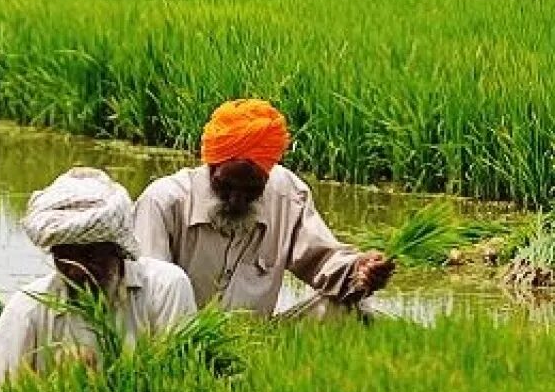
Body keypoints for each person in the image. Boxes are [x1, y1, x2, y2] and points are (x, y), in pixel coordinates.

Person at [0, 167, 196, 392]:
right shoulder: (28, 308)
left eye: (89, 255)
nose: (76, 271)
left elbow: (181, 387)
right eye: (64, 257)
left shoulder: (165, 289)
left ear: (116, 248)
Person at [133, 99, 394, 317]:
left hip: (260, 343)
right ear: (210, 168)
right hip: (179, 342)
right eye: (226, 186)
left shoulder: (288, 196)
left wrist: (360, 270)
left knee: (353, 309)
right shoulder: (163, 203)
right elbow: (148, 296)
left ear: (267, 177)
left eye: (251, 191)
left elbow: (322, 260)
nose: (237, 200)